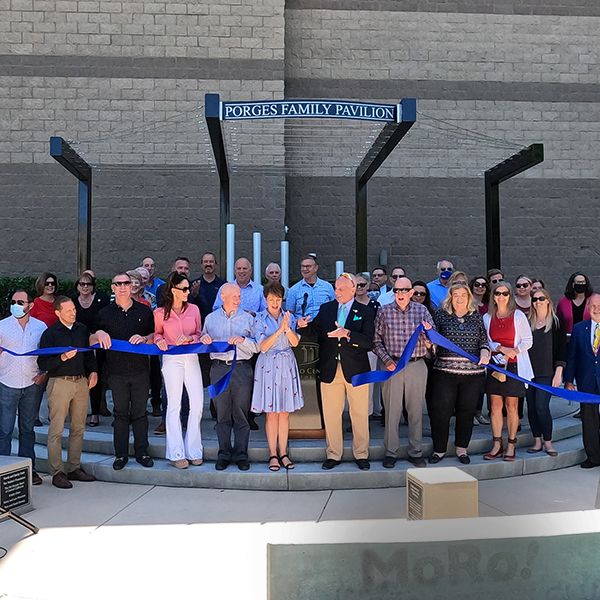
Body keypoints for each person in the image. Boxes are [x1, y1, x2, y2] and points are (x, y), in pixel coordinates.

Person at [92, 272, 155, 470]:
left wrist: (145, 338)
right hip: (116, 372)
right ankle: (120, 455)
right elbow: (91, 338)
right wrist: (99, 333)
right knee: (120, 414)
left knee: (140, 413)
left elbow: (154, 336)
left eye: (126, 283)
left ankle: (142, 452)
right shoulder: (104, 313)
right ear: (112, 287)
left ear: (131, 286)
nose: (122, 287)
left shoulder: (144, 312)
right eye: (117, 284)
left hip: (140, 371)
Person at [314, 273, 375, 471]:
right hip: (330, 369)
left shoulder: (364, 311)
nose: (337, 292)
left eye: (341, 289)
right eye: (335, 289)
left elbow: (369, 341)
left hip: (356, 369)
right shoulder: (326, 309)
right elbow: (316, 332)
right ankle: (333, 454)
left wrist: (347, 333)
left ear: (353, 289)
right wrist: (302, 325)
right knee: (331, 414)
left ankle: (361, 453)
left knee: (359, 413)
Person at [425, 283, 490, 465]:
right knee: (441, 412)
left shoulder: (476, 317)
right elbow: (432, 340)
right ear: (450, 297)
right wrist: (429, 343)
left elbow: (484, 341)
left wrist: (485, 353)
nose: (459, 298)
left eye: (463, 295)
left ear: (468, 297)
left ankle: (462, 448)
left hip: (472, 375)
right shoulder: (440, 315)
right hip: (445, 373)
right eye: (456, 295)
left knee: (466, 412)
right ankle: (439, 449)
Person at [373, 276, 434, 468]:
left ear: (411, 292)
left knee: (415, 410)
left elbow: (432, 340)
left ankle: (415, 451)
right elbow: (376, 341)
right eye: (396, 290)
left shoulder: (422, 310)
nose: (399, 294)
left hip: (416, 364)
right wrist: (386, 360)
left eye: (403, 290)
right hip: (392, 365)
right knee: (392, 411)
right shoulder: (384, 311)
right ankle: (391, 452)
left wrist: (428, 336)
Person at [37, 296, 98, 489]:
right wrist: (62, 357)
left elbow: (88, 353)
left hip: (80, 382)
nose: (74, 312)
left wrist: (93, 371)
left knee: (78, 428)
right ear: (58, 313)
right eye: (69, 310)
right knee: (56, 429)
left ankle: (74, 467)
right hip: (60, 383)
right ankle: (57, 472)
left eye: (74, 309)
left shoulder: (82, 329)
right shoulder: (50, 334)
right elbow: (42, 363)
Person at [201, 283, 258, 471]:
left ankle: (241, 454)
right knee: (222, 414)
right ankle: (224, 453)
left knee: (241, 414)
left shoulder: (248, 319)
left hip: (241, 369)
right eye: (235, 296)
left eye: (239, 296)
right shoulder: (210, 319)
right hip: (218, 369)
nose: (238, 299)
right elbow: (203, 340)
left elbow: (258, 346)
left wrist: (243, 341)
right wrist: (204, 339)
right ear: (223, 296)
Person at [251, 282, 304, 471]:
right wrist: (279, 330)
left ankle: (284, 453)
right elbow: (262, 346)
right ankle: (272, 454)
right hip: (268, 365)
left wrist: (287, 328)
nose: (275, 303)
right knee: (271, 414)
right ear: (265, 299)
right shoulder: (259, 318)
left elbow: (295, 343)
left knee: (284, 413)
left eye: (278, 299)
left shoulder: (289, 317)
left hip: (286, 364)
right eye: (271, 299)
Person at [154, 272, 204, 469]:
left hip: (191, 357)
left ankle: (194, 449)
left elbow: (199, 333)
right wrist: (160, 341)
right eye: (184, 288)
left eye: (188, 288)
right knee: (174, 405)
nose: (187, 292)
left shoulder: (194, 309)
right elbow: (157, 333)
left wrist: (191, 339)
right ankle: (176, 452)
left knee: (197, 403)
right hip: (172, 359)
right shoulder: (159, 313)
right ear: (173, 290)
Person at [0, 290, 47, 486]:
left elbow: (47, 353)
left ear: (31, 305)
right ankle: (2, 471)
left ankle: (29, 469)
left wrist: (44, 375)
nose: (16, 305)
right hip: (7, 382)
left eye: (21, 302)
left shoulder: (40, 327)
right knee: (5, 430)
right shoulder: (2, 326)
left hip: (32, 384)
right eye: (13, 301)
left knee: (28, 429)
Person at [483, 282, 533, 462]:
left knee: (512, 406)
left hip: (514, 366)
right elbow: (485, 341)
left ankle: (511, 444)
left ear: (510, 296)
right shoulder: (488, 317)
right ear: (493, 296)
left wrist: (514, 351)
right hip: (495, 365)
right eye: (498, 293)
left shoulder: (518, 315)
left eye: (505, 294)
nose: (501, 297)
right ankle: (497, 443)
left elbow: (528, 341)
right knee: (495, 406)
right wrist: (500, 347)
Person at [526, 288, 566, 457]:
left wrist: (559, 372)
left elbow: (562, 350)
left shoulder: (556, 322)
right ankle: (537, 440)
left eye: (541, 298)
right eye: (534, 299)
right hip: (528, 372)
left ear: (548, 300)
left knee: (542, 407)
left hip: (546, 372)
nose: (538, 302)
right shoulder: (527, 322)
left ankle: (548, 442)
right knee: (532, 408)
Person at [565, 293, 600, 468]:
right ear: (587, 308)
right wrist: (569, 380)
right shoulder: (579, 329)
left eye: (599, 305)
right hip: (586, 382)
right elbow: (572, 357)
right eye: (593, 306)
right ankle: (593, 457)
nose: (597, 309)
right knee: (589, 421)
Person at [73, 272, 109, 427]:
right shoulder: (72, 301)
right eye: (82, 284)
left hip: (97, 345)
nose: (85, 287)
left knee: (96, 377)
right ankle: (77, 412)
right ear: (77, 286)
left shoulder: (102, 300)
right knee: (78, 377)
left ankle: (95, 412)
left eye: (88, 284)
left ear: (93, 286)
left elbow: (105, 321)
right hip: (78, 345)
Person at [354, 273, 381, 419]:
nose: (359, 288)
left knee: (369, 386)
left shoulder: (375, 305)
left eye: (362, 285)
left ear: (368, 285)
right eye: (356, 285)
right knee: (355, 385)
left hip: (369, 350)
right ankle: (355, 418)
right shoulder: (349, 304)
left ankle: (366, 417)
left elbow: (379, 327)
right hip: (352, 350)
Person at [285, 255, 334, 320]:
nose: (305, 269)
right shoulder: (294, 290)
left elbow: (335, 308)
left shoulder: (327, 287)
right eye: (303, 266)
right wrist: (297, 321)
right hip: (303, 327)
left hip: (324, 327)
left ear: (316, 268)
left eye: (308, 266)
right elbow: (289, 314)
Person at [557, 272, 593, 339]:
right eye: (578, 282)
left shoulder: (593, 300)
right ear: (573, 284)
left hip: (589, 339)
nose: (581, 284)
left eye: (583, 282)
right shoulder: (563, 302)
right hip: (568, 339)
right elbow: (558, 322)